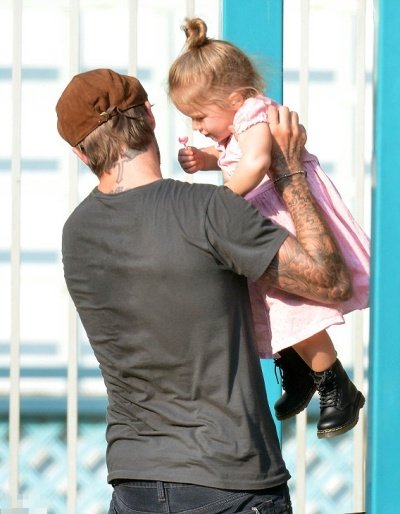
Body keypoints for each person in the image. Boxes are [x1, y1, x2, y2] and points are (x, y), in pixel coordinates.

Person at [56, 68, 351, 513]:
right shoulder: (208, 210)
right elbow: (331, 281)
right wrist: (289, 172)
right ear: (150, 117)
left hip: (134, 484)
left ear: (81, 154)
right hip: (231, 481)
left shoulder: (76, 233)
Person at [168, 17, 369, 439]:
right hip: (265, 215)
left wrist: (220, 201)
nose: (197, 127)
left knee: (297, 303)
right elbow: (238, 157)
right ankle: (298, 368)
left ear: (233, 98)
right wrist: (206, 160)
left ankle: (336, 386)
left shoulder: (254, 112)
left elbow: (258, 161)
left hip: (285, 213)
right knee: (269, 303)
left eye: (200, 116)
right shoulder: (238, 122)